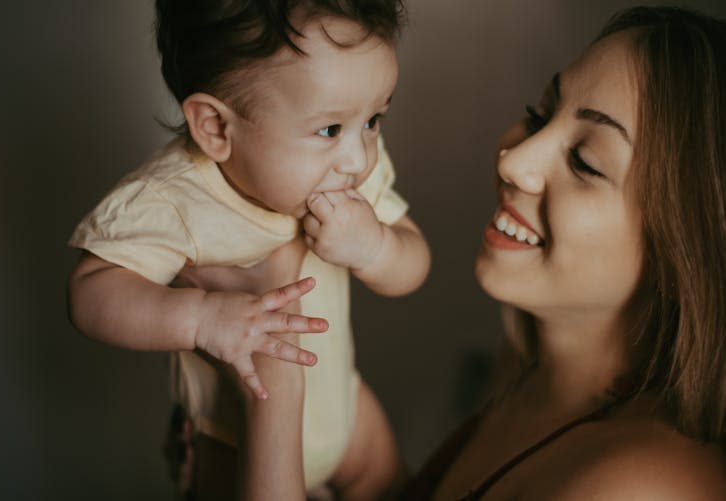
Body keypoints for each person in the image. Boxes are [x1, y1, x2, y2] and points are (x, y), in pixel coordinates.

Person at [241, 5, 726, 500]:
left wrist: (271, 384)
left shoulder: (644, 489)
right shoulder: (526, 373)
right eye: (539, 113)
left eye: (585, 161)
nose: (513, 159)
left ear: (685, 249)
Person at [66, 0, 430, 499]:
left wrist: (377, 247)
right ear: (216, 128)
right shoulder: (173, 199)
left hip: (343, 406)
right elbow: (90, 295)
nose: (358, 157)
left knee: (399, 489)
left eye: (374, 120)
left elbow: (414, 267)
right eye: (330, 129)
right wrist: (201, 318)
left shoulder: (343, 171)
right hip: (230, 439)